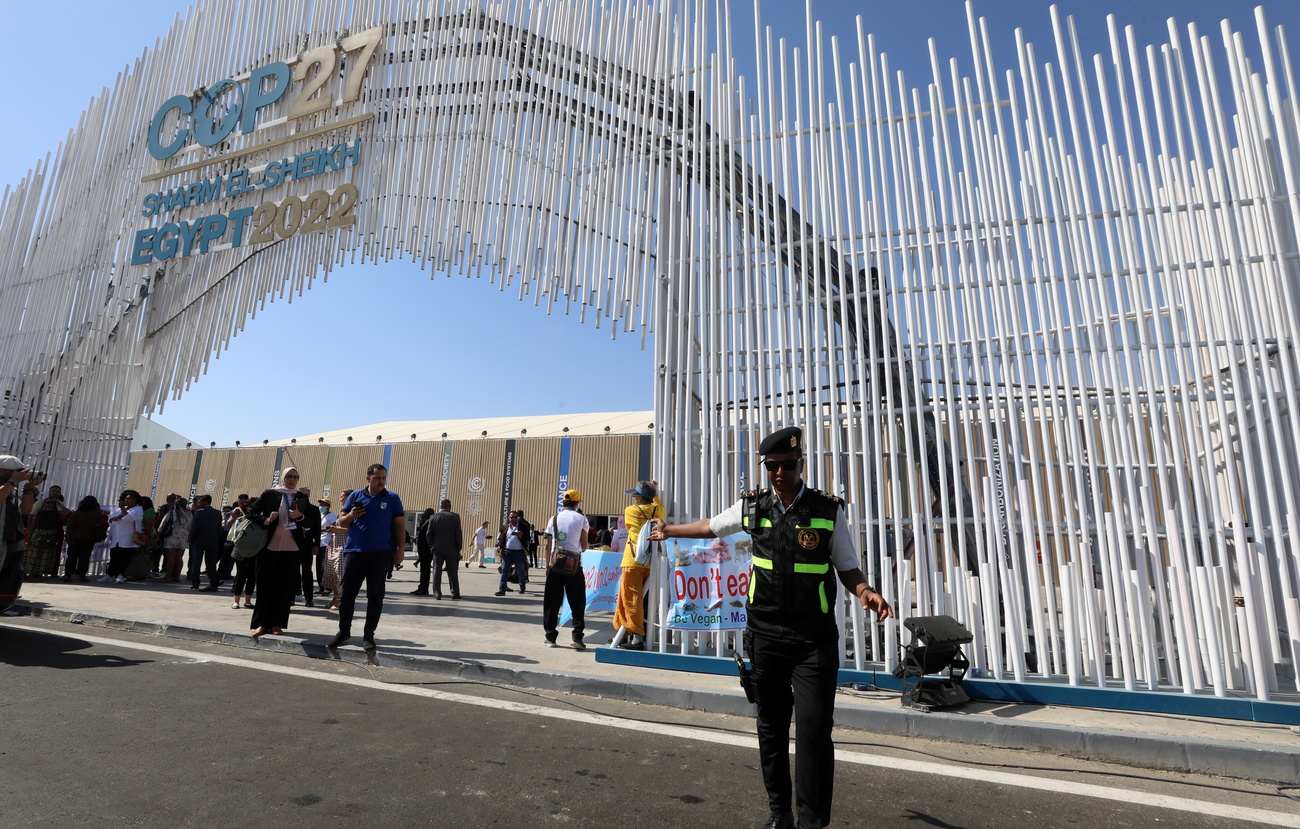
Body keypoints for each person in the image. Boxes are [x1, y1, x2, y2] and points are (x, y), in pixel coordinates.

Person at [649, 426, 893, 829]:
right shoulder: (752, 507)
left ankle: (811, 822)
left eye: (788, 465)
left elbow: (846, 564)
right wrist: (668, 530)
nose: (780, 473)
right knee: (772, 729)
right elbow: (712, 527)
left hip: (813, 640)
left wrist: (865, 590)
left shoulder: (828, 509)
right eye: (772, 466)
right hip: (765, 636)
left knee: (814, 731)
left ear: (802, 464)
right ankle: (779, 815)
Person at [329, 464, 405, 651]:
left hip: (380, 554)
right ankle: (344, 631)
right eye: (377, 478)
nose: (381, 481)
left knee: (375, 596)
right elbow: (341, 521)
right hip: (354, 552)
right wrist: (352, 515)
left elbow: (400, 526)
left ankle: (368, 635)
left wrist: (401, 549)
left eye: (383, 478)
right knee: (347, 595)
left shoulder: (392, 498)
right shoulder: (355, 496)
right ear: (368, 478)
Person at [246, 480, 304, 637]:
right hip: (269, 547)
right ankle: (261, 624)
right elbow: (250, 512)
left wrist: (299, 517)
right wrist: (266, 519)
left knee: (284, 589)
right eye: (289, 476)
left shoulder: (300, 496)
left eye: (295, 477)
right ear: (284, 478)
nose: (292, 480)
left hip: (292, 549)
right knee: (265, 587)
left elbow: (309, 519)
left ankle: (277, 624)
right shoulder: (270, 494)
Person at [613, 480, 663, 650]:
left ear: (640, 498)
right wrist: (654, 489)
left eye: (636, 496)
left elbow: (629, 526)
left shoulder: (630, 511)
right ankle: (622, 632)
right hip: (649, 562)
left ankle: (636, 638)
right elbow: (657, 502)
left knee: (630, 599)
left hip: (632, 560)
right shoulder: (658, 511)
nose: (634, 498)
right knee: (628, 598)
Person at [541, 489, 589, 649]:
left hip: (555, 564)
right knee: (577, 601)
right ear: (577, 503)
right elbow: (584, 545)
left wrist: (547, 566)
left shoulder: (553, 518)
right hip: (574, 566)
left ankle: (550, 637)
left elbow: (548, 545)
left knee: (551, 602)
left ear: (564, 502)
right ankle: (577, 636)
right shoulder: (582, 519)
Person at [24, 486, 68, 581]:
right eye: (53, 491)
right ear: (49, 492)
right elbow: (31, 517)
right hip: (39, 533)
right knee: (34, 555)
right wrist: (29, 534)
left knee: (46, 556)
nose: (50, 504)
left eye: (57, 491)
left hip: (51, 534)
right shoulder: (40, 504)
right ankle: (31, 575)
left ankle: (40, 575)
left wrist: (58, 504)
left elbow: (67, 513)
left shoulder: (58, 505)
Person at [100, 490, 143, 584]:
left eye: (128, 499)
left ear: (134, 500)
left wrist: (121, 513)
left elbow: (128, 518)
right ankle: (110, 575)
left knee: (124, 558)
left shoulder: (138, 509)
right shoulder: (120, 509)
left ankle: (120, 575)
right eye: (125, 499)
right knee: (114, 556)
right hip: (116, 538)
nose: (126, 500)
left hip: (128, 538)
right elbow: (110, 519)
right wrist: (118, 516)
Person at [424, 499, 463, 599]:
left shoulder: (433, 517)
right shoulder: (455, 517)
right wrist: (459, 547)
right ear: (450, 506)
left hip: (437, 548)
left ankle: (437, 593)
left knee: (437, 570)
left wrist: (432, 545)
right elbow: (458, 533)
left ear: (441, 506)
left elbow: (428, 534)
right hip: (452, 548)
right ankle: (455, 593)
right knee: (452, 571)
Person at [320, 489, 352, 612]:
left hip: (343, 544)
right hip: (333, 543)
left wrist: (337, 530)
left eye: (342, 496)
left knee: (340, 573)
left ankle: (339, 600)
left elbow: (351, 530)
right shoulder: (342, 510)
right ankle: (335, 597)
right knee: (331, 572)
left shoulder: (352, 511)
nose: (340, 498)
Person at [64, 495, 107, 582]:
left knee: (72, 557)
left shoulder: (77, 513)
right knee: (84, 557)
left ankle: (68, 575)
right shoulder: (96, 513)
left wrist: (67, 537)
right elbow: (101, 524)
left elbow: (70, 525)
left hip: (75, 537)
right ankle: (82, 574)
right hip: (89, 538)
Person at [188, 494, 224, 591]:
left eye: (200, 502)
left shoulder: (198, 513)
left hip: (198, 541)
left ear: (206, 502)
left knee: (196, 563)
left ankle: (195, 583)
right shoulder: (217, 513)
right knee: (211, 564)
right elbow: (218, 529)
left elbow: (194, 528)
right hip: (212, 541)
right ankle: (213, 582)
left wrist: (190, 539)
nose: (199, 504)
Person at [294, 486, 322, 607]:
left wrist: (316, 545)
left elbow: (317, 529)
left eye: (302, 495)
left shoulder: (314, 510)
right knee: (293, 572)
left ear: (308, 496)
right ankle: (293, 595)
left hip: (308, 545)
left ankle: (309, 598)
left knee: (307, 573)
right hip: (293, 543)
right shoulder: (292, 508)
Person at [227, 496, 256, 609]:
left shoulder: (261, 521)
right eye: (250, 506)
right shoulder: (240, 520)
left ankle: (248, 601)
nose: (252, 509)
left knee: (252, 577)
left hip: (255, 552)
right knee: (241, 576)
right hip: (241, 552)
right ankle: (236, 601)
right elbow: (235, 537)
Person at [494, 511, 529, 596]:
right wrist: (499, 546)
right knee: (504, 570)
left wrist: (522, 535)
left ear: (518, 518)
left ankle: (522, 586)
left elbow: (528, 538)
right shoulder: (505, 527)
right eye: (512, 517)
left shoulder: (523, 527)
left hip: (519, 553)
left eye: (515, 517)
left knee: (520, 570)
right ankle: (502, 589)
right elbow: (502, 538)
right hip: (507, 552)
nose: (513, 519)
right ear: (509, 518)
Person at [157, 496, 191, 582]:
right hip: (184, 536)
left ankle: (168, 577)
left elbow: (162, 526)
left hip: (172, 536)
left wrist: (158, 536)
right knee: (179, 558)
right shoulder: (189, 514)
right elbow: (191, 527)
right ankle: (177, 577)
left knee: (171, 558)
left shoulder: (171, 512)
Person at [410, 507, 437, 595]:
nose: (423, 515)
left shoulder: (429, 523)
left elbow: (426, 538)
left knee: (425, 570)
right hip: (424, 551)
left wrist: (417, 540)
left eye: (425, 513)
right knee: (423, 570)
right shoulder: (426, 522)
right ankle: (421, 587)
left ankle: (424, 588)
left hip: (426, 551)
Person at [316, 497, 336, 593]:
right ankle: (321, 587)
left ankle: (328, 587)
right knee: (319, 566)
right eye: (320, 505)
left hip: (326, 542)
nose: (321, 506)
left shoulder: (331, 516)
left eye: (323, 505)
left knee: (325, 566)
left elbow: (333, 528)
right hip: (319, 542)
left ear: (328, 506)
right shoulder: (319, 515)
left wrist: (321, 530)